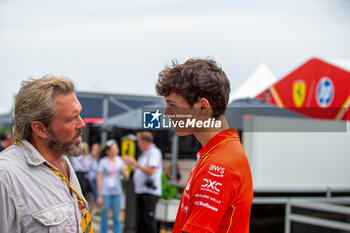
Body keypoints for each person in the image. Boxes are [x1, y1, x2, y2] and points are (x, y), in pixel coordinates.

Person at [156, 58, 253, 233]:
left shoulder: (218, 165)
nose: (167, 113)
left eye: (172, 105)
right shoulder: (222, 151)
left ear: (202, 107)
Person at [0, 75, 93, 233]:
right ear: (40, 129)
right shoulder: (6, 177)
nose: (82, 123)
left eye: (79, 114)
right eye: (71, 118)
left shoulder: (60, 157)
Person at [123, 131, 163, 233]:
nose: (138, 144)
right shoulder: (145, 153)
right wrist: (130, 164)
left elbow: (150, 171)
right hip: (141, 191)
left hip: (149, 192)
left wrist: (136, 164)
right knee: (140, 220)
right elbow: (139, 169)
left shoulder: (154, 152)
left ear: (145, 141)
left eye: (139, 141)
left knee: (148, 220)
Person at [96, 139, 129, 233]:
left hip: (117, 192)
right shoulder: (103, 161)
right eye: (114, 148)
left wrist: (125, 171)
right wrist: (100, 195)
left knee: (116, 217)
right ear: (108, 151)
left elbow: (126, 176)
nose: (116, 150)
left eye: (117, 148)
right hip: (106, 192)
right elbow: (99, 179)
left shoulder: (120, 160)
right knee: (104, 216)